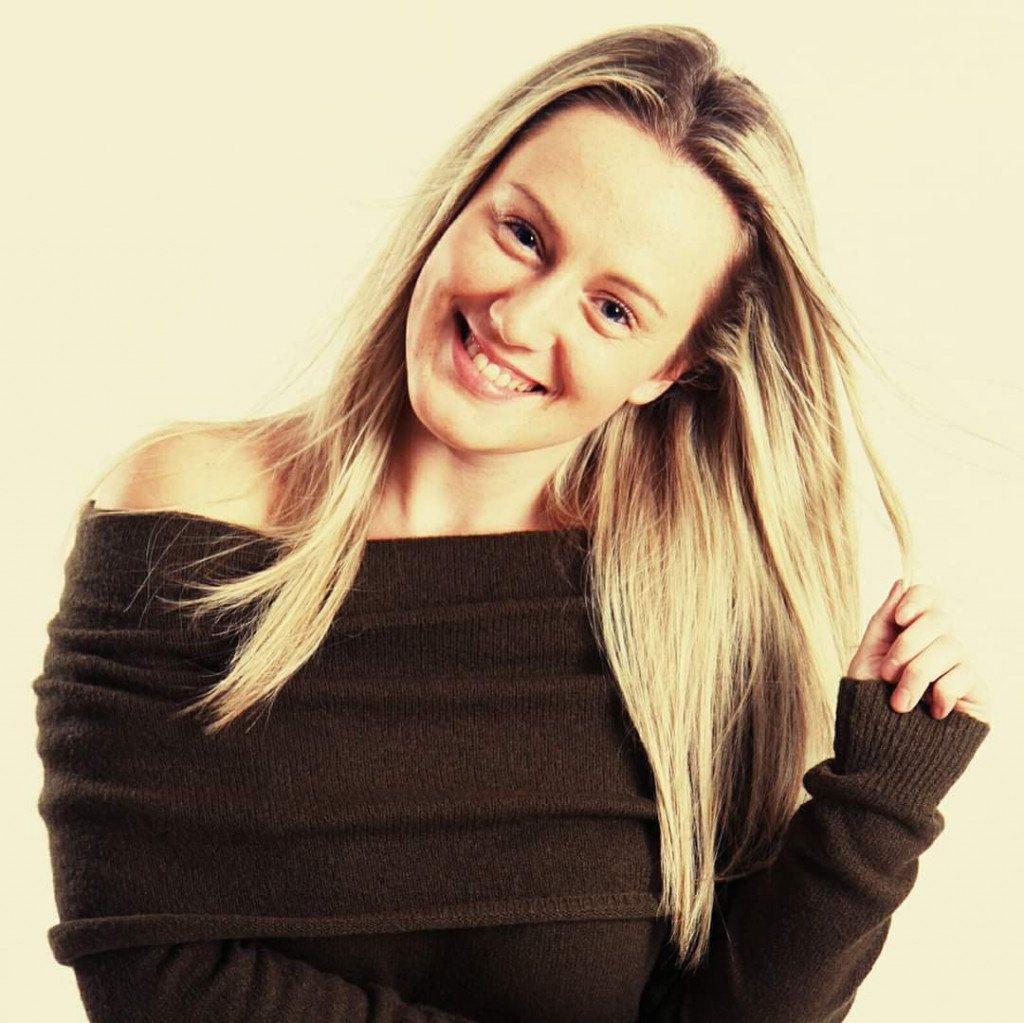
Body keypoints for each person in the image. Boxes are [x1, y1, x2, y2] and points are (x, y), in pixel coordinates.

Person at [33, 23, 992, 1023]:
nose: (522, 319)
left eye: (614, 310)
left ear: (667, 368)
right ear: (460, 200)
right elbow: (153, 980)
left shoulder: (692, 632)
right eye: (524, 235)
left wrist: (878, 805)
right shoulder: (185, 510)